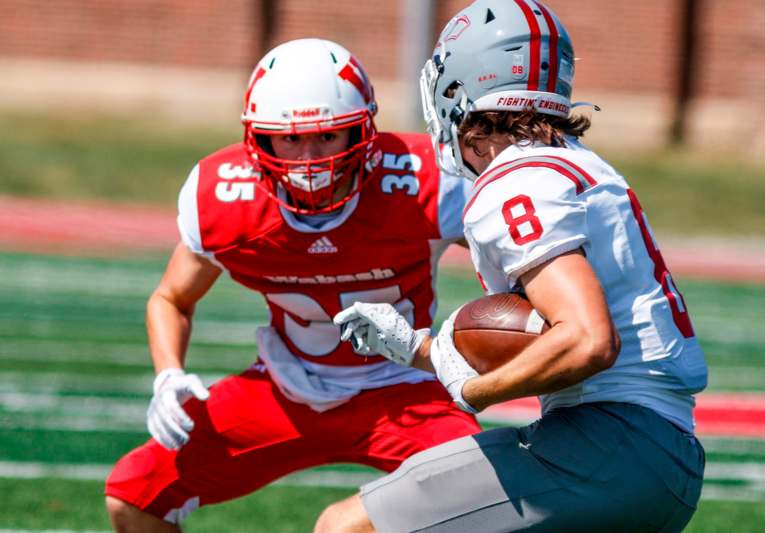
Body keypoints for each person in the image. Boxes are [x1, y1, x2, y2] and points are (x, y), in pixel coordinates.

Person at [319, 1, 708, 531]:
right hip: (660, 457)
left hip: (608, 446)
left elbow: (587, 340)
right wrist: (420, 349)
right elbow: (541, 331)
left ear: (458, 89)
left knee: (346, 526)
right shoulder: (576, 164)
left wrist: (473, 390)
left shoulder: (516, 179)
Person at [103, 38, 481, 531]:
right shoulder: (224, 200)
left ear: (362, 131)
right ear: (258, 140)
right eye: (290, 139)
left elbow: (516, 274)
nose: (308, 159)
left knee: (480, 494)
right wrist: (168, 375)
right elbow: (172, 297)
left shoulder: (424, 181)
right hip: (286, 389)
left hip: (406, 389)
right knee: (134, 496)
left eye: (327, 137)